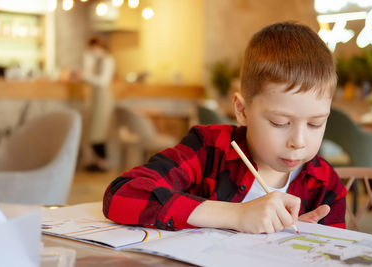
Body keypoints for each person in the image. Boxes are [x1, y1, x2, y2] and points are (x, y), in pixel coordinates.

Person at [102, 22, 347, 233]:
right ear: (242, 110)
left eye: (316, 123)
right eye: (279, 123)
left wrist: (303, 239)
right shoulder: (209, 148)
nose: (299, 141)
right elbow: (122, 194)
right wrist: (236, 216)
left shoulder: (326, 186)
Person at [82, 37, 115, 172]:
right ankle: (98, 161)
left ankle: (103, 163)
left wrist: (85, 76)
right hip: (95, 98)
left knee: (98, 132)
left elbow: (103, 81)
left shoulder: (107, 60)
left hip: (103, 98)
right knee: (92, 131)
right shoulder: (96, 60)